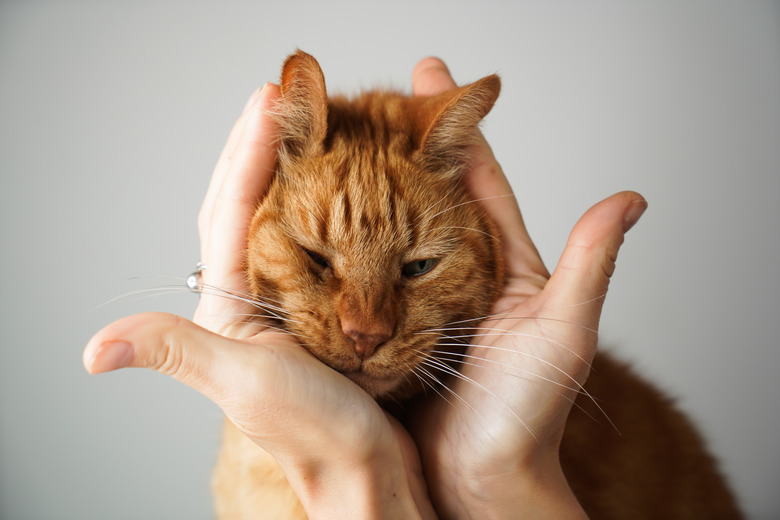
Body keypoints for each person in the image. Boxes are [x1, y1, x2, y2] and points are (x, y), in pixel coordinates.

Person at [83, 57, 646, 519]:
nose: (367, 327)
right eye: (315, 258)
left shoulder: (567, 423)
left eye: (418, 267)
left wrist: (500, 473)